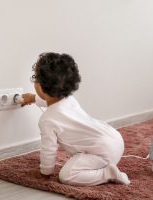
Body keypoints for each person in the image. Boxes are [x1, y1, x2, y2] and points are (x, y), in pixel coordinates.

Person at [22, 52, 130, 186]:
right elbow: (51, 102)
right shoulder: (69, 100)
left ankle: (108, 173)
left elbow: (48, 150)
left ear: (39, 86)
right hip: (116, 140)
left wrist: (45, 172)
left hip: (102, 154)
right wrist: (33, 98)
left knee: (67, 175)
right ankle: (104, 166)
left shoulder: (47, 120)